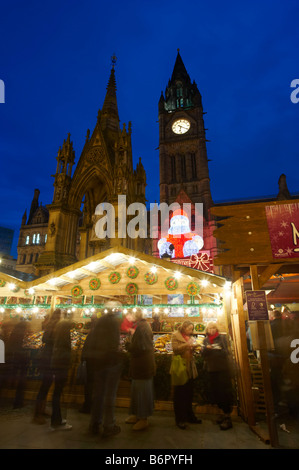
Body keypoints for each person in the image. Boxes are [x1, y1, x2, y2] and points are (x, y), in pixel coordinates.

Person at [88, 309, 123, 438]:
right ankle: (109, 425)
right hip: (110, 363)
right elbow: (114, 343)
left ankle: (94, 424)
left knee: (98, 395)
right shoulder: (113, 323)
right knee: (109, 395)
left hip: (98, 363)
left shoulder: (99, 323)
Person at [125, 310, 156, 431]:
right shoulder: (141, 326)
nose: (127, 317)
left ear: (135, 316)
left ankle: (143, 418)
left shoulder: (142, 327)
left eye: (129, 315)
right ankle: (137, 415)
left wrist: (128, 346)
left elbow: (141, 347)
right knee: (136, 390)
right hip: (140, 365)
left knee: (142, 391)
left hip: (143, 365)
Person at [202, 322, 234, 430]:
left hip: (222, 369)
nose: (212, 330)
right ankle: (222, 414)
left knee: (224, 392)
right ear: (207, 329)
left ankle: (227, 417)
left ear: (216, 329)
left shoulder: (222, 338)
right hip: (211, 369)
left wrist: (216, 350)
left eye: (214, 328)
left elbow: (226, 352)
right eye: (210, 328)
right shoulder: (205, 340)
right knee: (216, 392)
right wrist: (206, 349)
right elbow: (203, 354)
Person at [33, 308, 61, 424]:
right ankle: (37, 414)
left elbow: (45, 339)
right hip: (48, 359)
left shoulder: (51, 325)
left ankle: (42, 410)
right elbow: (46, 339)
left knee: (46, 385)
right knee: (44, 386)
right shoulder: (54, 326)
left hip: (48, 359)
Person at [171, 320, 201, 429]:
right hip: (180, 367)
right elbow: (175, 349)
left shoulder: (190, 337)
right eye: (189, 329)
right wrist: (187, 344)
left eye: (192, 329)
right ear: (184, 328)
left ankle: (190, 416)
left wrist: (193, 346)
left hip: (189, 367)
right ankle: (180, 419)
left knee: (189, 393)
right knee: (179, 394)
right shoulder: (175, 336)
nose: (191, 331)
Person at [49, 316, 73, 431]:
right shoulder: (64, 342)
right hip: (61, 366)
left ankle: (57, 419)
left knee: (57, 393)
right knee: (58, 393)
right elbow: (66, 354)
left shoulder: (57, 340)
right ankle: (56, 421)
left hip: (56, 365)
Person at [6, 319, 30, 409]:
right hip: (18, 362)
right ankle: (18, 402)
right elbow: (19, 349)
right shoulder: (20, 335)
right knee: (21, 382)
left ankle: (17, 401)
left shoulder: (13, 335)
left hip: (12, 362)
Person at [78, 315, 97, 413]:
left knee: (89, 386)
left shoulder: (92, 333)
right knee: (92, 386)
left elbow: (86, 347)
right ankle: (91, 405)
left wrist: (83, 359)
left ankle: (88, 405)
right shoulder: (98, 332)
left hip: (90, 362)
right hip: (95, 362)